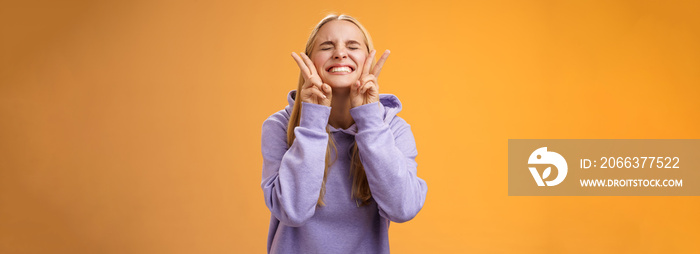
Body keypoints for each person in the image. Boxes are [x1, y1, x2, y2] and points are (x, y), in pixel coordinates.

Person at [260, 14, 428, 253]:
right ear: (309, 61)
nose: (340, 53)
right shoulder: (279, 127)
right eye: (327, 46)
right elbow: (292, 211)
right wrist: (313, 121)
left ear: (367, 59)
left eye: (352, 46)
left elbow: (403, 209)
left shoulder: (392, 129)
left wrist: (369, 120)